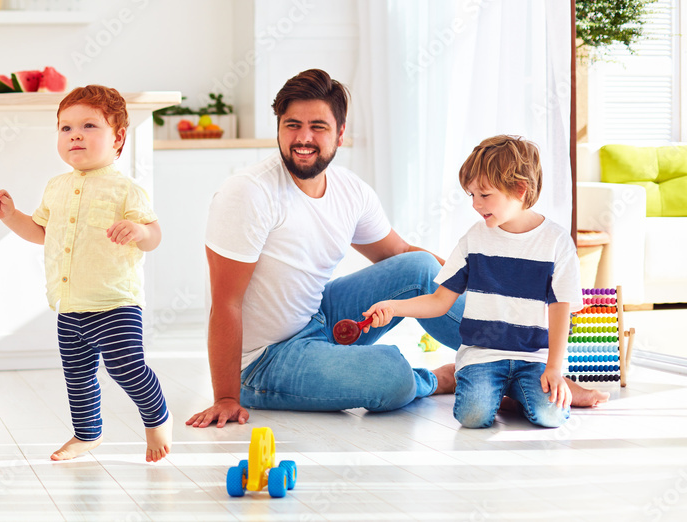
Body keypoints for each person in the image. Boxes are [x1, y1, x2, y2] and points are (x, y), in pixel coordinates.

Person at [186, 69, 607, 428]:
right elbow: (226, 303)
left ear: (340, 132)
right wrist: (226, 395)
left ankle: (514, 364)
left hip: (318, 317)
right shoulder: (249, 193)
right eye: (292, 125)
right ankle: (446, 379)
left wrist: (490, 283)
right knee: (391, 376)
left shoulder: (349, 191)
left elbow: (401, 256)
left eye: (318, 127)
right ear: (278, 126)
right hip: (265, 359)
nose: (303, 138)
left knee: (420, 266)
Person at [0, 85, 172, 461]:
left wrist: (139, 231)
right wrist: (10, 216)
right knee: (78, 375)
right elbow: (40, 233)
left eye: (89, 125)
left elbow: (154, 235)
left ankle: (157, 419)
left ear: (118, 138)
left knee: (126, 367)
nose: (75, 135)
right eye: (65, 128)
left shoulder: (126, 190)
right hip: (69, 303)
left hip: (114, 301)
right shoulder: (56, 187)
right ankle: (87, 434)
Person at [363, 135, 580, 428]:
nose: (476, 205)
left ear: (520, 189)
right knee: (473, 417)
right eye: (472, 195)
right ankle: (482, 384)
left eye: (485, 195)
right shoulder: (474, 239)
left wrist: (554, 367)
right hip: (483, 355)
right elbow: (440, 301)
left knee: (550, 416)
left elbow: (560, 308)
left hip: (534, 358)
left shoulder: (555, 241)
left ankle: (517, 395)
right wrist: (393, 306)